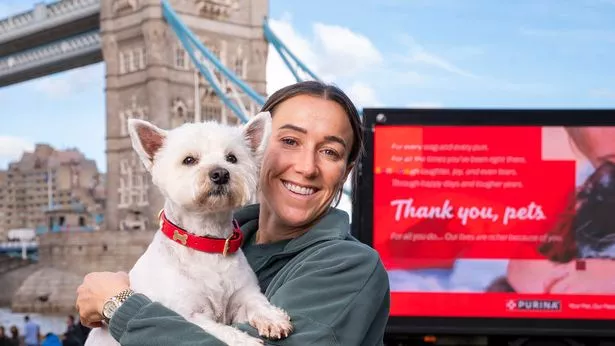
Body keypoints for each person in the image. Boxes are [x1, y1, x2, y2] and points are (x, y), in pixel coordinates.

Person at [75, 80, 391, 345]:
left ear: (347, 171)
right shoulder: (234, 245)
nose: (307, 167)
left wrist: (118, 305)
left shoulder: (349, 267)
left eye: (330, 152)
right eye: (290, 140)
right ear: (261, 149)